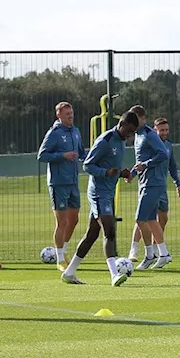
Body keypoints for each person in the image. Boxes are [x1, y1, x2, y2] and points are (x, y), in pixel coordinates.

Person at [62, 113, 138, 286]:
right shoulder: (105, 140)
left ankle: (69, 272)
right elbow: (87, 165)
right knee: (109, 230)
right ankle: (114, 275)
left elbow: (112, 167)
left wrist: (120, 173)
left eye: (133, 132)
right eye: (129, 130)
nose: (130, 135)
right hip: (98, 192)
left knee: (92, 234)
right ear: (121, 123)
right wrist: (105, 173)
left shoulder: (122, 141)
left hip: (108, 192)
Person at [38, 102, 87, 272]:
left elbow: (81, 153)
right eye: (67, 113)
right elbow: (42, 155)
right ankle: (59, 258)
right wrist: (63, 155)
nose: (70, 116)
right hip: (58, 182)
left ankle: (63, 251)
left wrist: (94, 157)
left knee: (74, 219)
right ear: (59, 115)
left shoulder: (75, 131)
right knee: (62, 221)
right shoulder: (54, 133)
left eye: (72, 113)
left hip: (73, 181)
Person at [128, 107, 172, 270]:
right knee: (152, 220)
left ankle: (149, 255)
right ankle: (164, 254)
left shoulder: (149, 135)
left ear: (142, 118)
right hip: (145, 182)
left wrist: (145, 165)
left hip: (153, 183)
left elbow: (162, 154)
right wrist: (132, 174)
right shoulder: (138, 135)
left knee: (141, 219)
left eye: (134, 119)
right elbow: (140, 160)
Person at [153, 117, 180, 251]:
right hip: (150, 185)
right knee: (145, 218)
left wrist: (178, 183)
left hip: (162, 187)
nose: (165, 132)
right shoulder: (151, 144)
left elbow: (172, 166)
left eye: (166, 130)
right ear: (155, 130)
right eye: (161, 130)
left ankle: (155, 245)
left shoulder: (168, 145)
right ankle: (137, 249)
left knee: (164, 218)